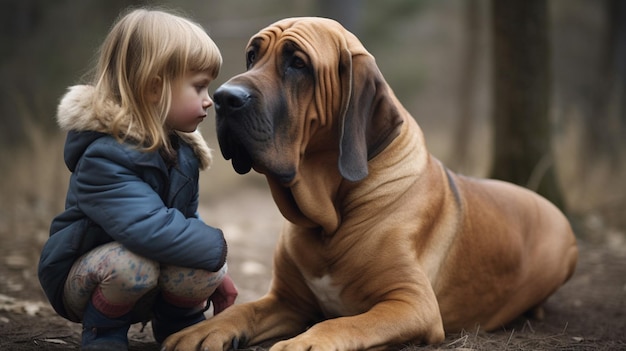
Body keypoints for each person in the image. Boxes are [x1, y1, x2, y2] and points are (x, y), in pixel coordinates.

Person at [38, 8, 238, 351]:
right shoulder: (104, 156)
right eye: (199, 86)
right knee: (133, 263)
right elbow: (149, 229)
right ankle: (103, 331)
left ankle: (179, 323)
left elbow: (184, 221)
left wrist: (215, 273)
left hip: (143, 270)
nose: (209, 99)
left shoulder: (181, 152)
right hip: (86, 279)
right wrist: (217, 248)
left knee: (202, 264)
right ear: (154, 88)